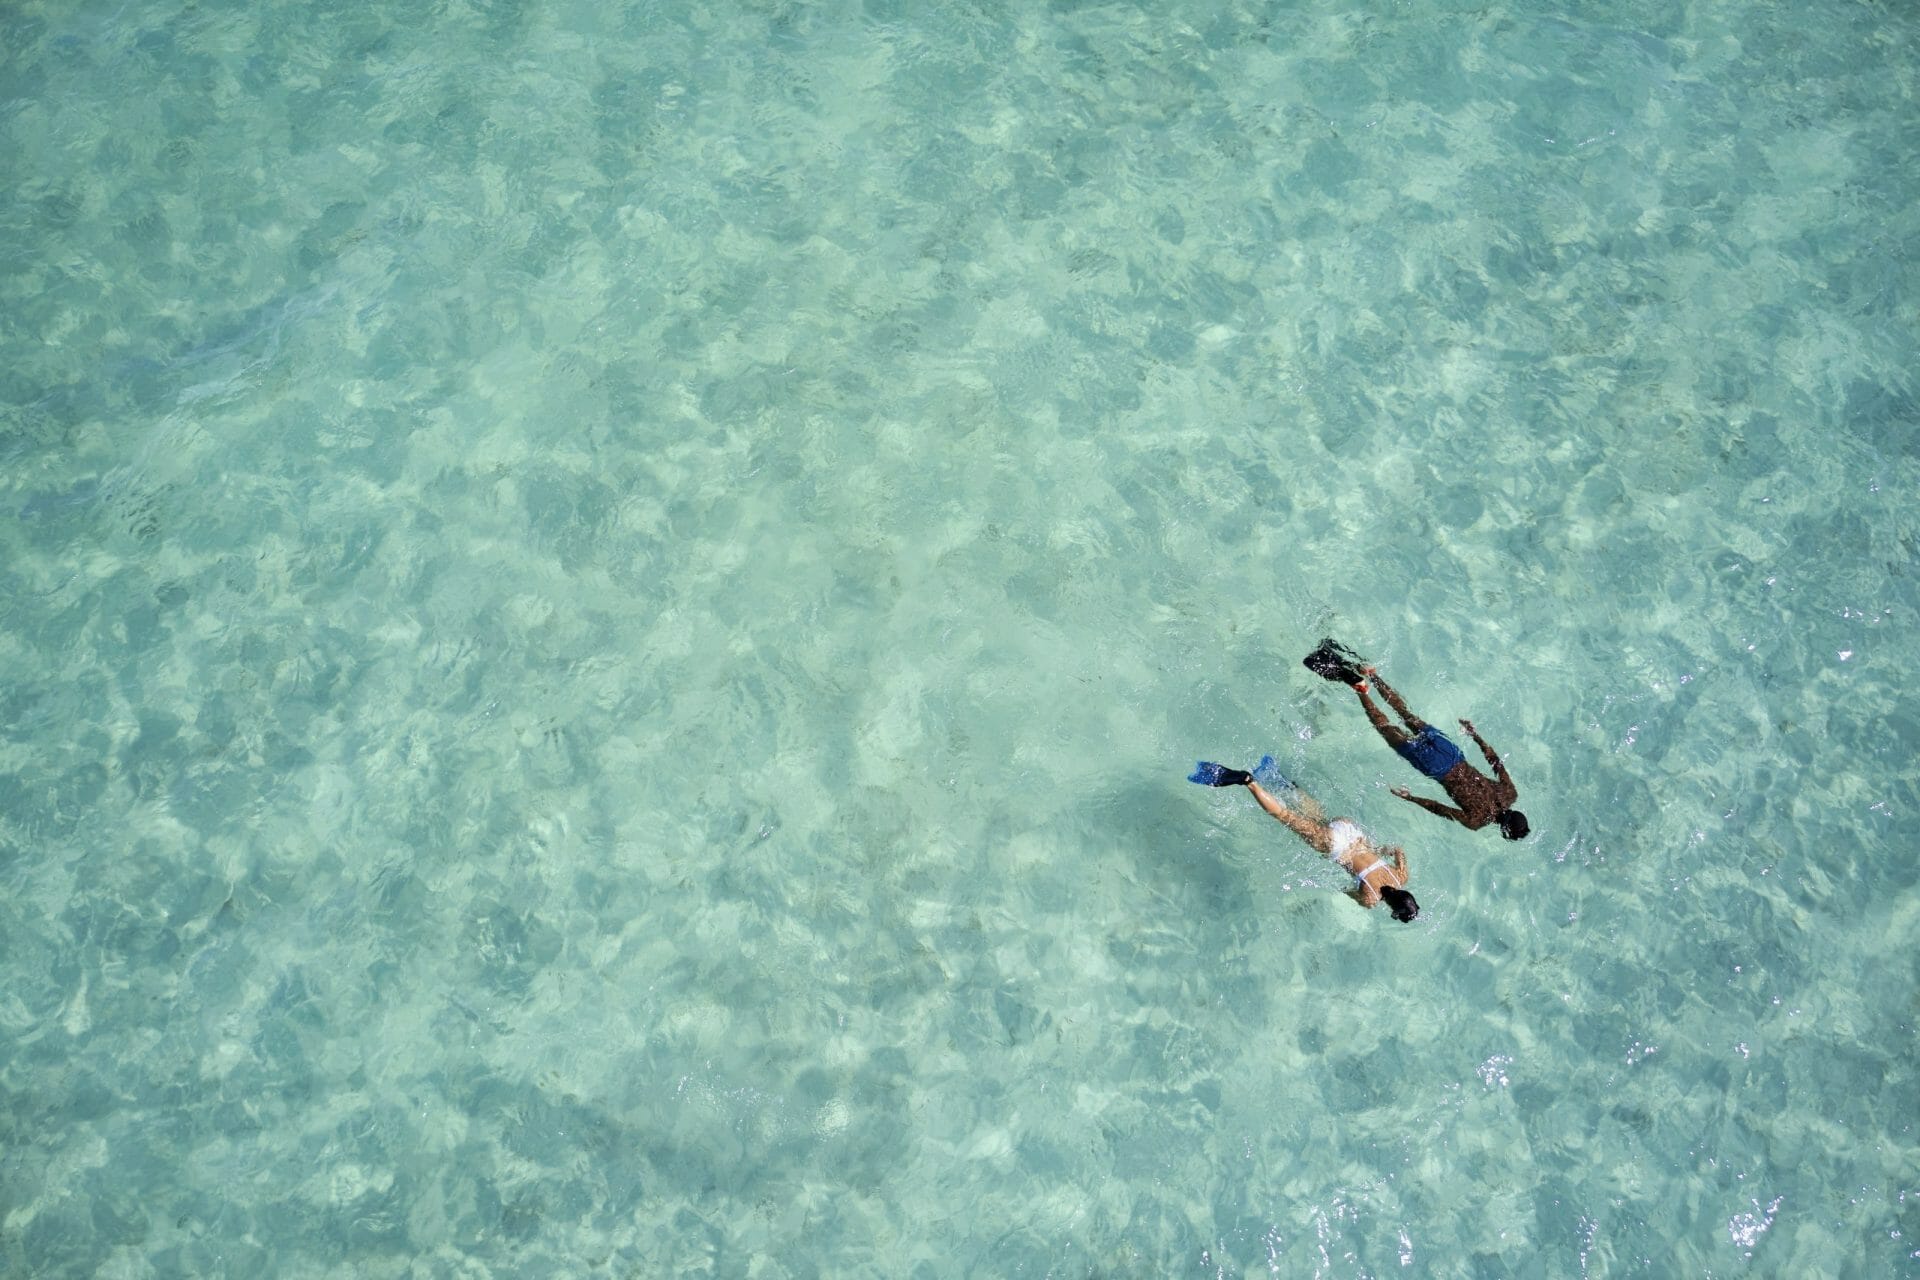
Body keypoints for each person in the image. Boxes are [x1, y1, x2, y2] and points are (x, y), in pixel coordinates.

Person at [1190, 761, 1419, 921]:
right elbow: (1344, 889)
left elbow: (1397, 849)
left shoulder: (1401, 875)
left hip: (1351, 833)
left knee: (1318, 817)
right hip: (1336, 847)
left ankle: (1275, 776)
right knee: (1285, 816)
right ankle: (1247, 780)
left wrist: (1379, 849)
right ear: (1392, 908)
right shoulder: (1371, 898)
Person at [1349, 667, 1529, 840]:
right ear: (1504, 828)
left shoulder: (1510, 793)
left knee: (1406, 714)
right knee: (1386, 729)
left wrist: (1475, 735)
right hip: (1436, 767)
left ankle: (1372, 675)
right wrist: (1411, 798)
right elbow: (1439, 808)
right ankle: (1360, 689)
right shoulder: (1477, 820)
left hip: (1453, 754)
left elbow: (1495, 762)